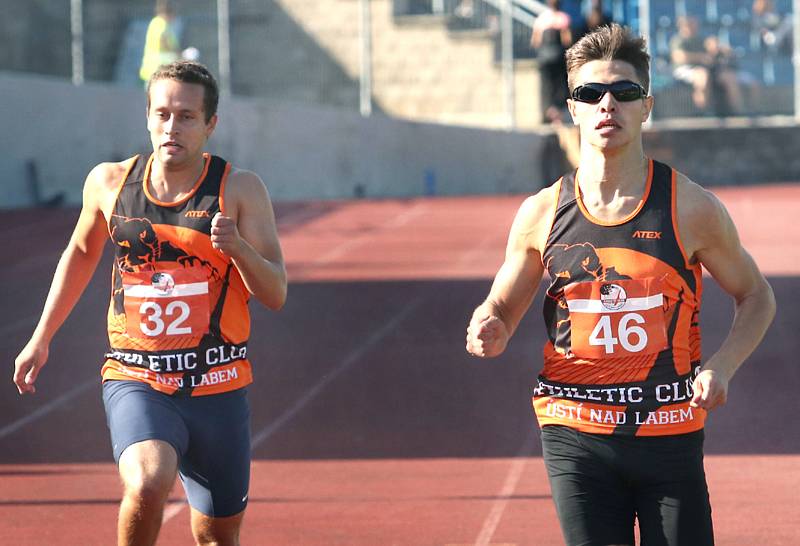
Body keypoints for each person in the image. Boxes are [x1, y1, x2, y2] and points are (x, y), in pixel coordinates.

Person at [466, 23, 775, 546]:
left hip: (668, 434)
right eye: (591, 93)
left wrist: (722, 366)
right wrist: (488, 323)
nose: (608, 104)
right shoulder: (542, 212)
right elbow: (502, 303)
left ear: (647, 107)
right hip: (573, 432)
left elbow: (757, 296)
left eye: (624, 92)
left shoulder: (690, 207)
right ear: (574, 109)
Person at [13, 60, 287, 546]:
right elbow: (80, 254)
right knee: (146, 481)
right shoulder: (109, 183)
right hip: (138, 377)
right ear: (146, 118)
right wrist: (41, 338)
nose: (171, 127)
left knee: (216, 537)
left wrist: (238, 249)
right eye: (161, 114)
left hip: (217, 387)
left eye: (185, 116)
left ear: (210, 125)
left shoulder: (239, 189)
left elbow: (275, 293)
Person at [670, 15, 744, 115]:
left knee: (729, 77)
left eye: (695, 24)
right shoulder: (678, 40)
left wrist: (720, 48)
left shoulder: (700, 39)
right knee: (702, 76)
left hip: (707, 69)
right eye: (690, 24)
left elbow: (713, 49)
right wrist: (700, 57)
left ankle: (737, 112)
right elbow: (679, 57)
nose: (693, 27)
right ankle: (702, 112)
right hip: (684, 70)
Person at [530, 0, 573, 123]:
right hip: (558, 58)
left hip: (544, 58)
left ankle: (546, 113)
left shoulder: (541, 18)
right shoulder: (564, 18)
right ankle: (558, 114)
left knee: (545, 87)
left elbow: (535, 41)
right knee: (560, 86)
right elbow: (567, 40)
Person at [140, 0, 181, 85]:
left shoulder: (156, 23)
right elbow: (164, 42)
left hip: (154, 69)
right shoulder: (161, 24)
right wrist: (180, 54)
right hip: (159, 70)